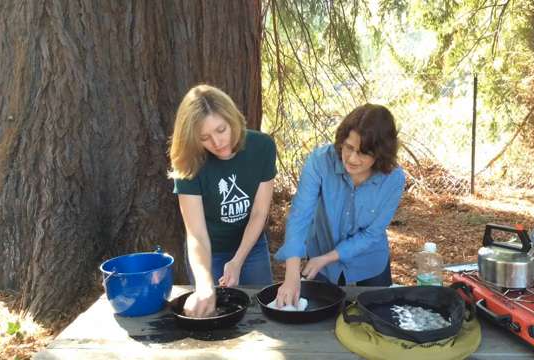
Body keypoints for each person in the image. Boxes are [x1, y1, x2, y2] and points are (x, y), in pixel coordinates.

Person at [274, 103, 405, 307]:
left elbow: (372, 233)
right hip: (321, 265)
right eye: (349, 147)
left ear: (380, 153)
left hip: (370, 263)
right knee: (319, 323)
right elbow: (300, 216)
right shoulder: (320, 162)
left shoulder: (393, 179)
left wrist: (326, 258)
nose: (351, 158)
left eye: (362, 152)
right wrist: (292, 274)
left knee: (377, 320)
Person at [168, 84, 276, 317]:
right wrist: (205, 282)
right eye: (205, 137)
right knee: (213, 312)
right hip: (209, 251)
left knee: (262, 313)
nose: (217, 143)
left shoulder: (262, 147)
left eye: (221, 129)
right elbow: (196, 234)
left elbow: (259, 213)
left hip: (252, 244)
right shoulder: (189, 162)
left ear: (233, 119)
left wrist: (238, 260)